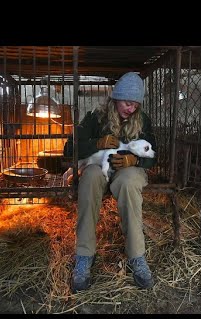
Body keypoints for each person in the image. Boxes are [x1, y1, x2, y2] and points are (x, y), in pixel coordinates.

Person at [66, 72, 157, 293]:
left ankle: (136, 256)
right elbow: (70, 149)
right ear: (116, 98)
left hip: (127, 171)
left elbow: (154, 155)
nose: (131, 109)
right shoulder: (95, 118)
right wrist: (97, 142)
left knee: (129, 182)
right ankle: (84, 255)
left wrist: (134, 159)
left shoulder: (143, 121)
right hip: (99, 169)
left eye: (136, 105)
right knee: (90, 177)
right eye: (127, 103)